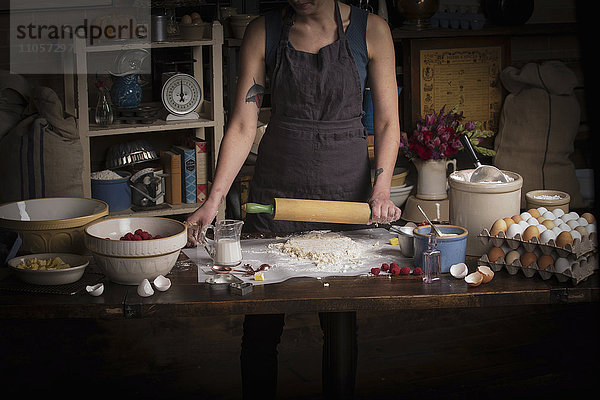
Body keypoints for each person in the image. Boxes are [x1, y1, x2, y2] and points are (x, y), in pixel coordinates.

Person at [185, 0, 401, 397]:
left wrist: (381, 190)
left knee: (339, 323)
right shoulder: (262, 30)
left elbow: (387, 122)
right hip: (277, 190)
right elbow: (242, 123)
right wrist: (212, 201)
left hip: (343, 193)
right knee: (261, 316)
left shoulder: (371, 31)